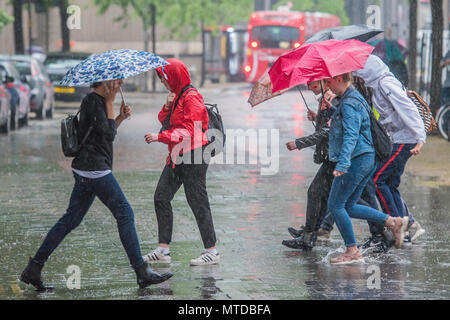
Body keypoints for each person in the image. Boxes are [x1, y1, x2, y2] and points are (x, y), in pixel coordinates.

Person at [20, 80, 173, 291]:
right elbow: (108, 134)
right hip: (94, 170)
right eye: (118, 80)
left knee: (70, 220)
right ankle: (141, 271)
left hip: (88, 169)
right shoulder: (94, 101)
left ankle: (34, 268)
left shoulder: (99, 101)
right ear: (106, 83)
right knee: (124, 213)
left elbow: (103, 135)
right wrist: (111, 105)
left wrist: (119, 117)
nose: (121, 83)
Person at [324, 72, 409, 264]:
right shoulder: (352, 97)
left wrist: (343, 163)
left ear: (339, 79)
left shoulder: (349, 103)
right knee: (349, 206)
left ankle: (352, 250)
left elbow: (351, 135)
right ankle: (393, 222)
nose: (327, 85)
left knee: (335, 206)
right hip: (366, 158)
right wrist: (331, 110)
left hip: (355, 159)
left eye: (328, 81)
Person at [143, 59, 219, 266]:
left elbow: (190, 132)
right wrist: (168, 106)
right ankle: (163, 250)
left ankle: (211, 251)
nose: (163, 83)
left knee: (197, 201)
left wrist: (161, 137)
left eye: (164, 78)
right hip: (179, 155)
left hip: (194, 155)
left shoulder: (191, 97)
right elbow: (165, 120)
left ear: (175, 77)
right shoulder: (179, 96)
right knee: (161, 196)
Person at [353, 55, 426, 243]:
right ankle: (405, 225)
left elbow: (407, 108)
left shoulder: (385, 83)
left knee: (378, 179)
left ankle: (397, 223)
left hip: (404, 139)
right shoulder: (376, 85)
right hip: (399, 138)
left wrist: (420, 137)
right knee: (389, 183)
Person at [282, 80, 338, 250]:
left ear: (323, 81)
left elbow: (327, 131)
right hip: (333, 157)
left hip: (335, 157)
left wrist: (298, 143)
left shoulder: (332, 100)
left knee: (321, 194)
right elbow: (330, 125)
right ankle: (311, 233)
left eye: (312, 83)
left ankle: (386, 224)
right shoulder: (328, 100)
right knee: (322, 195)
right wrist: (316, 117)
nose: (308, 86)